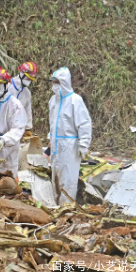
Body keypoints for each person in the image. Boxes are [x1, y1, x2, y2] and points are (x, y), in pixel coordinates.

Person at [49, 67, 92, 205]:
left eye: (58, 82)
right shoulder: (53, 100)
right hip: (56, 146)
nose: (55, 86)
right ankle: (55, 208)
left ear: (65, 83)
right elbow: (52, 122)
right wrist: (50, 138)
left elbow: (84, 124)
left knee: (68, 180)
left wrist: (84, 144)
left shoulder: (75, 100)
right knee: (55, 177)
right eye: (53, 82)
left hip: (70, 147)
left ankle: (67, 209)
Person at [9, 62, 37, 137]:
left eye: (31, 79)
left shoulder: (27, 93)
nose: (29, 81)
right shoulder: (8, 86)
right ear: (22, 74)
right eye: (28, 78)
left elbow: (28, 110)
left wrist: (27, 128)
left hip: (17, 127)